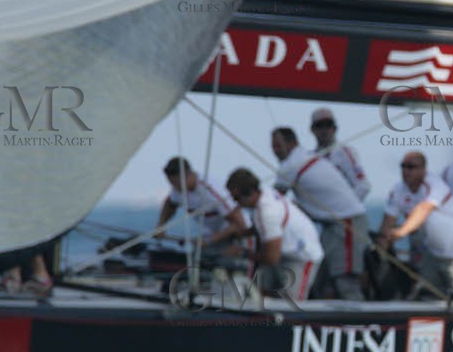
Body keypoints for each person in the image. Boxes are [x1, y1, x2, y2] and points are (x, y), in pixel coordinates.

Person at [270, 126, 369, 300]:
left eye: (278, 146)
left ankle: (360, 323)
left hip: (347, 224)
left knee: (344, 281)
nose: (275, 151)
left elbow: (270, 202)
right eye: (273, 147)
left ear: (291, 143)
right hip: (334, 226)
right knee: (321, 279)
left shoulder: (290, 165)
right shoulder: (307, 157)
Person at [376, 152, 453, 300]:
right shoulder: (398, 190)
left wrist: (401, 232)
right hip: (431, 254)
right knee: (429, 297)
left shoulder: (434, 185)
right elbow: (388, 221)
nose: (406, 171)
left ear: (423, 169)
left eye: (411, 167)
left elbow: (423, 209)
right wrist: (380, 252)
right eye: (403, 166)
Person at [226, 168, 323, 303]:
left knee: (291, 303)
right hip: (283, 252)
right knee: (261, 288)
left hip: (301, 256)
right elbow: (262, 228)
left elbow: (271, 258)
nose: (236, 203)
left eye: (236, 198)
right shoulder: (264, 193)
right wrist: (244, 233)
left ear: (249, 193)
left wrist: (242, 252)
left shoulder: (267, 212)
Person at [155, 156, 249, 255]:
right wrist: (161, 226)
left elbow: (239, 224)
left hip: (240, 235)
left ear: (188, 175)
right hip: (213, 235)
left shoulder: (212, 191)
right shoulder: (178, 190)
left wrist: (208, 240)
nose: (174, 187)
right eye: (171, 183)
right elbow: (170, 203)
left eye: (176, 183)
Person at [309, 107, 371, 201]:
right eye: (319, 125)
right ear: (312, 129)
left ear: (335, 128)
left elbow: (363, 185)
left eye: (328, 125)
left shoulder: (345, 153)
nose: (324, 130)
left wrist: (344, 207)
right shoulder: (309, 158)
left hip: (340, 212)